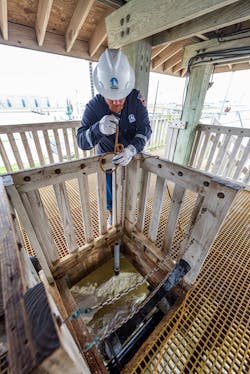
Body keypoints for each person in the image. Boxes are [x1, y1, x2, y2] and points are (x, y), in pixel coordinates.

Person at [77, 49, 152, 226]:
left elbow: (145, 129)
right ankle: (112, 212)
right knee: (110, 190)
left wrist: (132, 149)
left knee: (133, 186)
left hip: (131, 155)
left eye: (121, 97)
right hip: (107, 157)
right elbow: (81, 141)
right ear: (102, 92)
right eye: (111, 98)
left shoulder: (136, 99)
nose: (117, 102)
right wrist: (98, 129)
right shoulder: (93, 107)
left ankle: (131, 211)